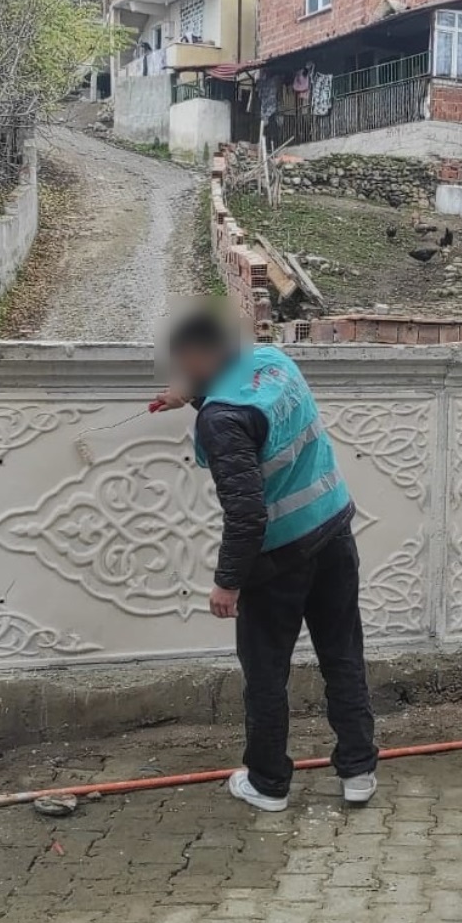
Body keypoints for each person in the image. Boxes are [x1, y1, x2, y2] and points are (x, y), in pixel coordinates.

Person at [156, 311, 377, 811]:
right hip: (333, 528)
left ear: (198, 355)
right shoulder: (274, 360)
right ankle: (359, 771)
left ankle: (268, 782)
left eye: (182, 362)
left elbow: (247, 513)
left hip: (279, 559)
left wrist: (227, 582)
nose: (178, 369)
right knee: (342, 655)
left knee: (266, 673)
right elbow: (252, 408)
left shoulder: (220, 421)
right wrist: (193, 394)